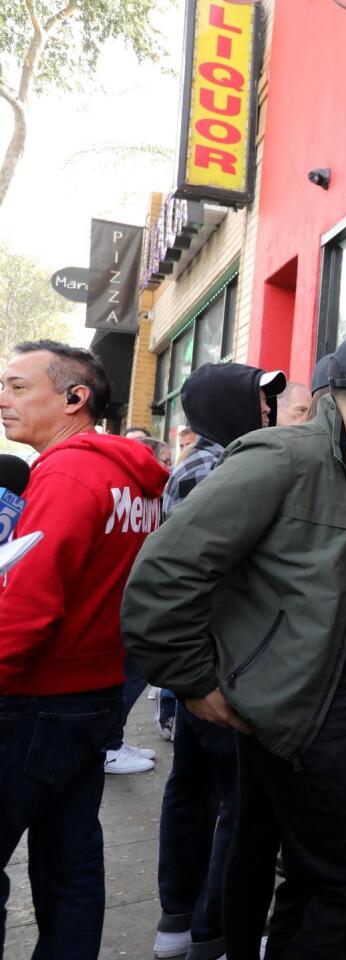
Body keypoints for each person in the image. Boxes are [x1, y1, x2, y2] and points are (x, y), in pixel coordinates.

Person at [122, 331, 346, 960]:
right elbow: (164, 574)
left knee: (317, 876)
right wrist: (194, 681)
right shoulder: (282, 459)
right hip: (298, 717)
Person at [0, 340, 167, 957]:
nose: (3, 400)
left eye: (18, 387)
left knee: (67, 861)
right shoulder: (133, 478)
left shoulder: (70, 473)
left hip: (35, 701)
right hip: (94, 695)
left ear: (75, 398)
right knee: (71, 860)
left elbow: (27, 606)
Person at [150, 361, 285, 960]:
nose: (267, 410)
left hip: (202, 663)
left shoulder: (206, 462)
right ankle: (215, 930)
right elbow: (196, 576)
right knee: (236, 802)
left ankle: (180, 920)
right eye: (257, 399)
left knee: (192, 790)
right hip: (219, 665)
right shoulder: (216, 467)